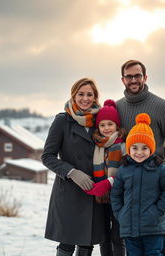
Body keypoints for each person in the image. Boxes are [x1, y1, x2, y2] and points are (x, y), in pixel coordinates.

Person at [116, 60, 165, 256]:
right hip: (129, 180)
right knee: (132, 238)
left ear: (145, 77)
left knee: (163, 233)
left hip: (155, 181)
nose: (133, 80)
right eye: (129, 76)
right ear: (123, 80)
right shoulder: (119, 107)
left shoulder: (161, 106)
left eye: (138, 75)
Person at [41, 78, 107, 256]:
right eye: (81, 94)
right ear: (73, 95)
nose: (85, 98)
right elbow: (47, 156)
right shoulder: (63, 120)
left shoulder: (101, 121)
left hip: (94, 190)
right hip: (69, 190)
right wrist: (72, 172)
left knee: (87, 242)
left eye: (89, 95)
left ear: (95, 97)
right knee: (67, 242)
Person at [110, 113, 165, 256]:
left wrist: (158, 210)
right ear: (128, 149)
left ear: (151, 149)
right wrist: (120, 214)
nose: (139, 152)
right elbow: (116, 194)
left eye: (144, 148)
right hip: (130, 227)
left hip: (154, 227)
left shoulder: (160, 169)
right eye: (135, 148)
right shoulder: (123, 170)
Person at [85, 99, 126, 256]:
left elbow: (127, 170)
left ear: (116, 125)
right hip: (100, 198)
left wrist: (110, 182)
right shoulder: (96, 146)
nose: (106, 128)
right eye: (102, 125)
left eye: (110, 124)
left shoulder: (123, 145)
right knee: (103, 236)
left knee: (117, 235)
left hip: (119, 197)